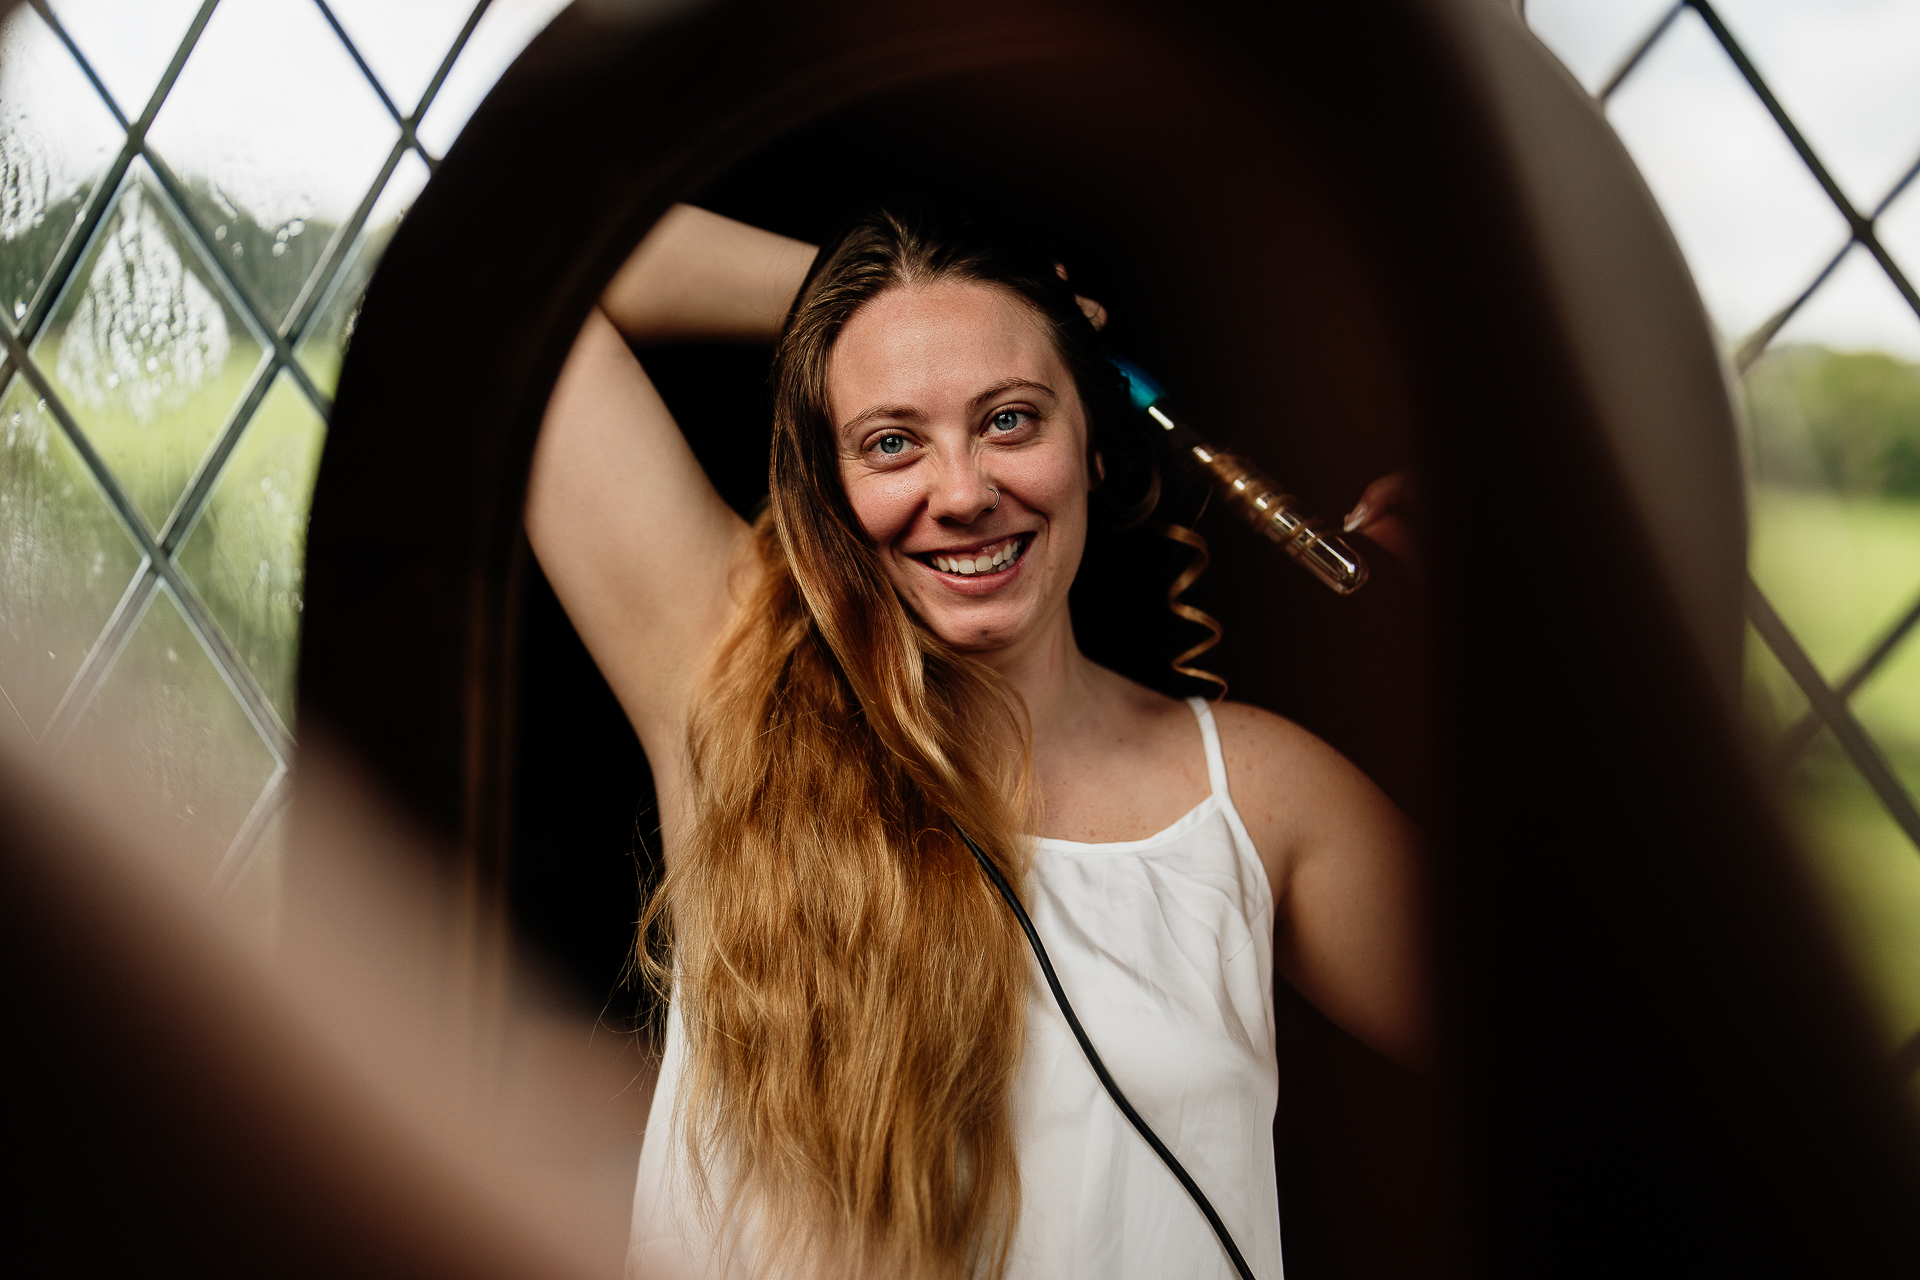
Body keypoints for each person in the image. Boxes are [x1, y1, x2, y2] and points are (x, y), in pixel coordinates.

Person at [527, 203, 1426, 1280]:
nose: (961, 493)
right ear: (826, 487)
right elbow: (514, 268)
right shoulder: (726, 686)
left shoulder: (1261, 792)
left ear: (1092, 443)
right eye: (892, 440)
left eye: (1010, 420)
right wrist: (877, 302)